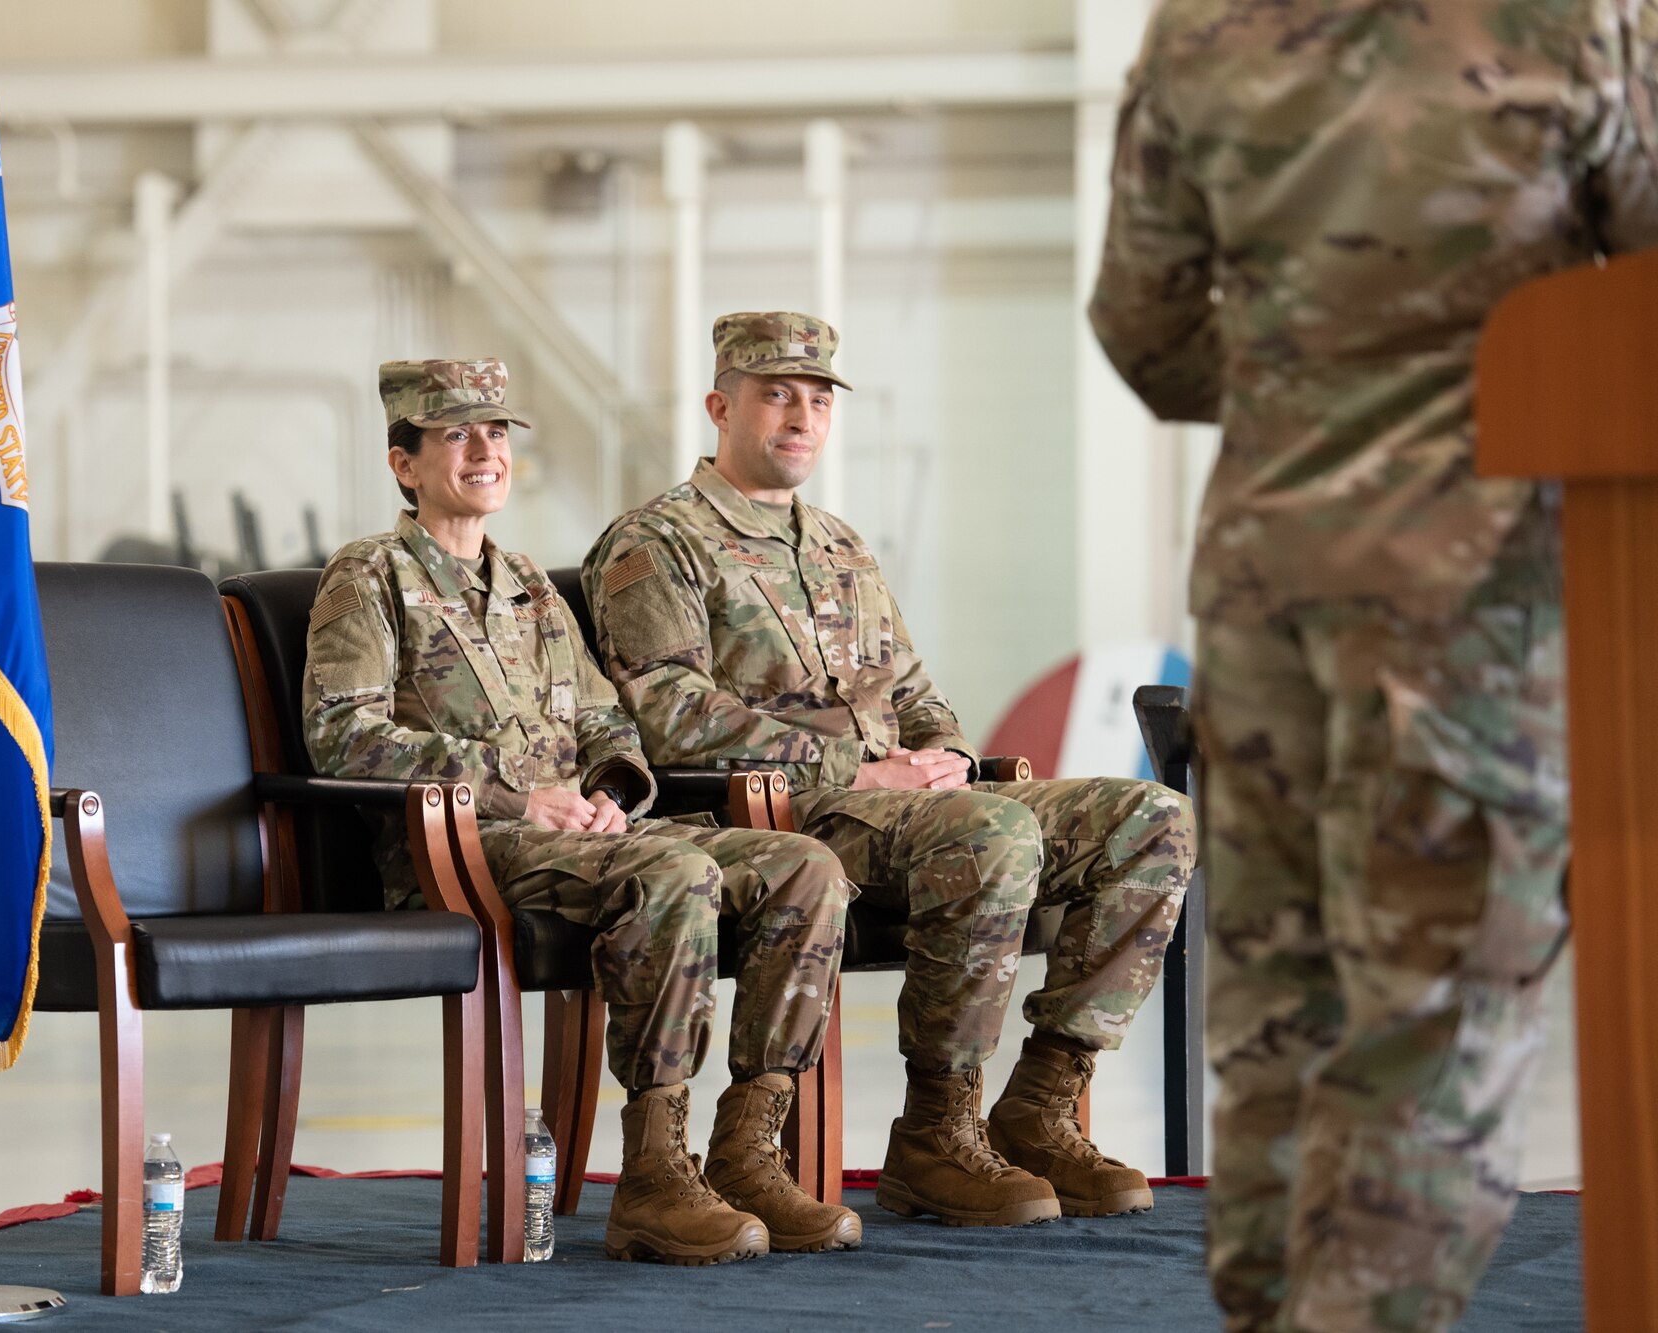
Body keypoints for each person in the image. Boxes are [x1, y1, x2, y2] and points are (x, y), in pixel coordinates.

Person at [1087, 5, 1658, 1328]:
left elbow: (1143, 325)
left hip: (1263, 577)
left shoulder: (1202, 29)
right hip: (1471, 594)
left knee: (1282, 1011)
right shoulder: (1574, 20)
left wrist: (1319, 389)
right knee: (1433, 1016)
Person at [582, 314, 1197, 1229]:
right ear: (720, 406)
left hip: (901, 808)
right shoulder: (656, 544)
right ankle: (936, 1133)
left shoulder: (841, 547)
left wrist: (946, 751)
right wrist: (857, 767)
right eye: (776, 394)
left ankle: (1038, 1104)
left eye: (819, 398)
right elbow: (666, 714)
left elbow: (914, 690)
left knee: (1154, 817)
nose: (801, 416)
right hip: (771, 818)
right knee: (991, 831)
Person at [303, 358, 861, 1265]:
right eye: (456, 435)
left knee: (807, 865)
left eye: (496, 434)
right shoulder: (365, 578)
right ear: (404, 462)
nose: (485, 451)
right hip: (463, 845)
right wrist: (520, 794)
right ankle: (654, 1174)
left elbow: (608, 718)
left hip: (586, 835)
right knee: (677, 870)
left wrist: (608, 791)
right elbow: (344, 736)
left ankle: (749, 1149)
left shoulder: (528, 584)